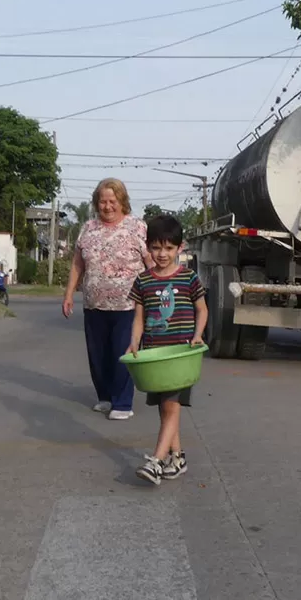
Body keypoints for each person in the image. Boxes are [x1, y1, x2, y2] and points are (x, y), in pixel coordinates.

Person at [62, 178, 153, 420]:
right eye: (102, 201)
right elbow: (77, 264)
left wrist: (157, 293)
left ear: (122, 202)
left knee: (122, 352)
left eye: (113, 201)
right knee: (98, 355)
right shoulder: (88, 228)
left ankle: (123, 403)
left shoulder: (137, 227)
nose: (107, 206)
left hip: (129, 305)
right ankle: (105, 397)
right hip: (94, 304)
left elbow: (151, 263)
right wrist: (69, 293)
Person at [126, 214, 207, 485]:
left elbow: (202, 309)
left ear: (179, 248)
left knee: (171, 407)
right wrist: (134, 341)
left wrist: (197, 335)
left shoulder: (189, 278)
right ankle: (178, 457)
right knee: (165, 408)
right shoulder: (143, 281)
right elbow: (138, 316)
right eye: (157, 248)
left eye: (169, 248)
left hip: (180, 355)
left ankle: (157, 461)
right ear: (148, 247)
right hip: (154, 355)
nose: (162, 254)